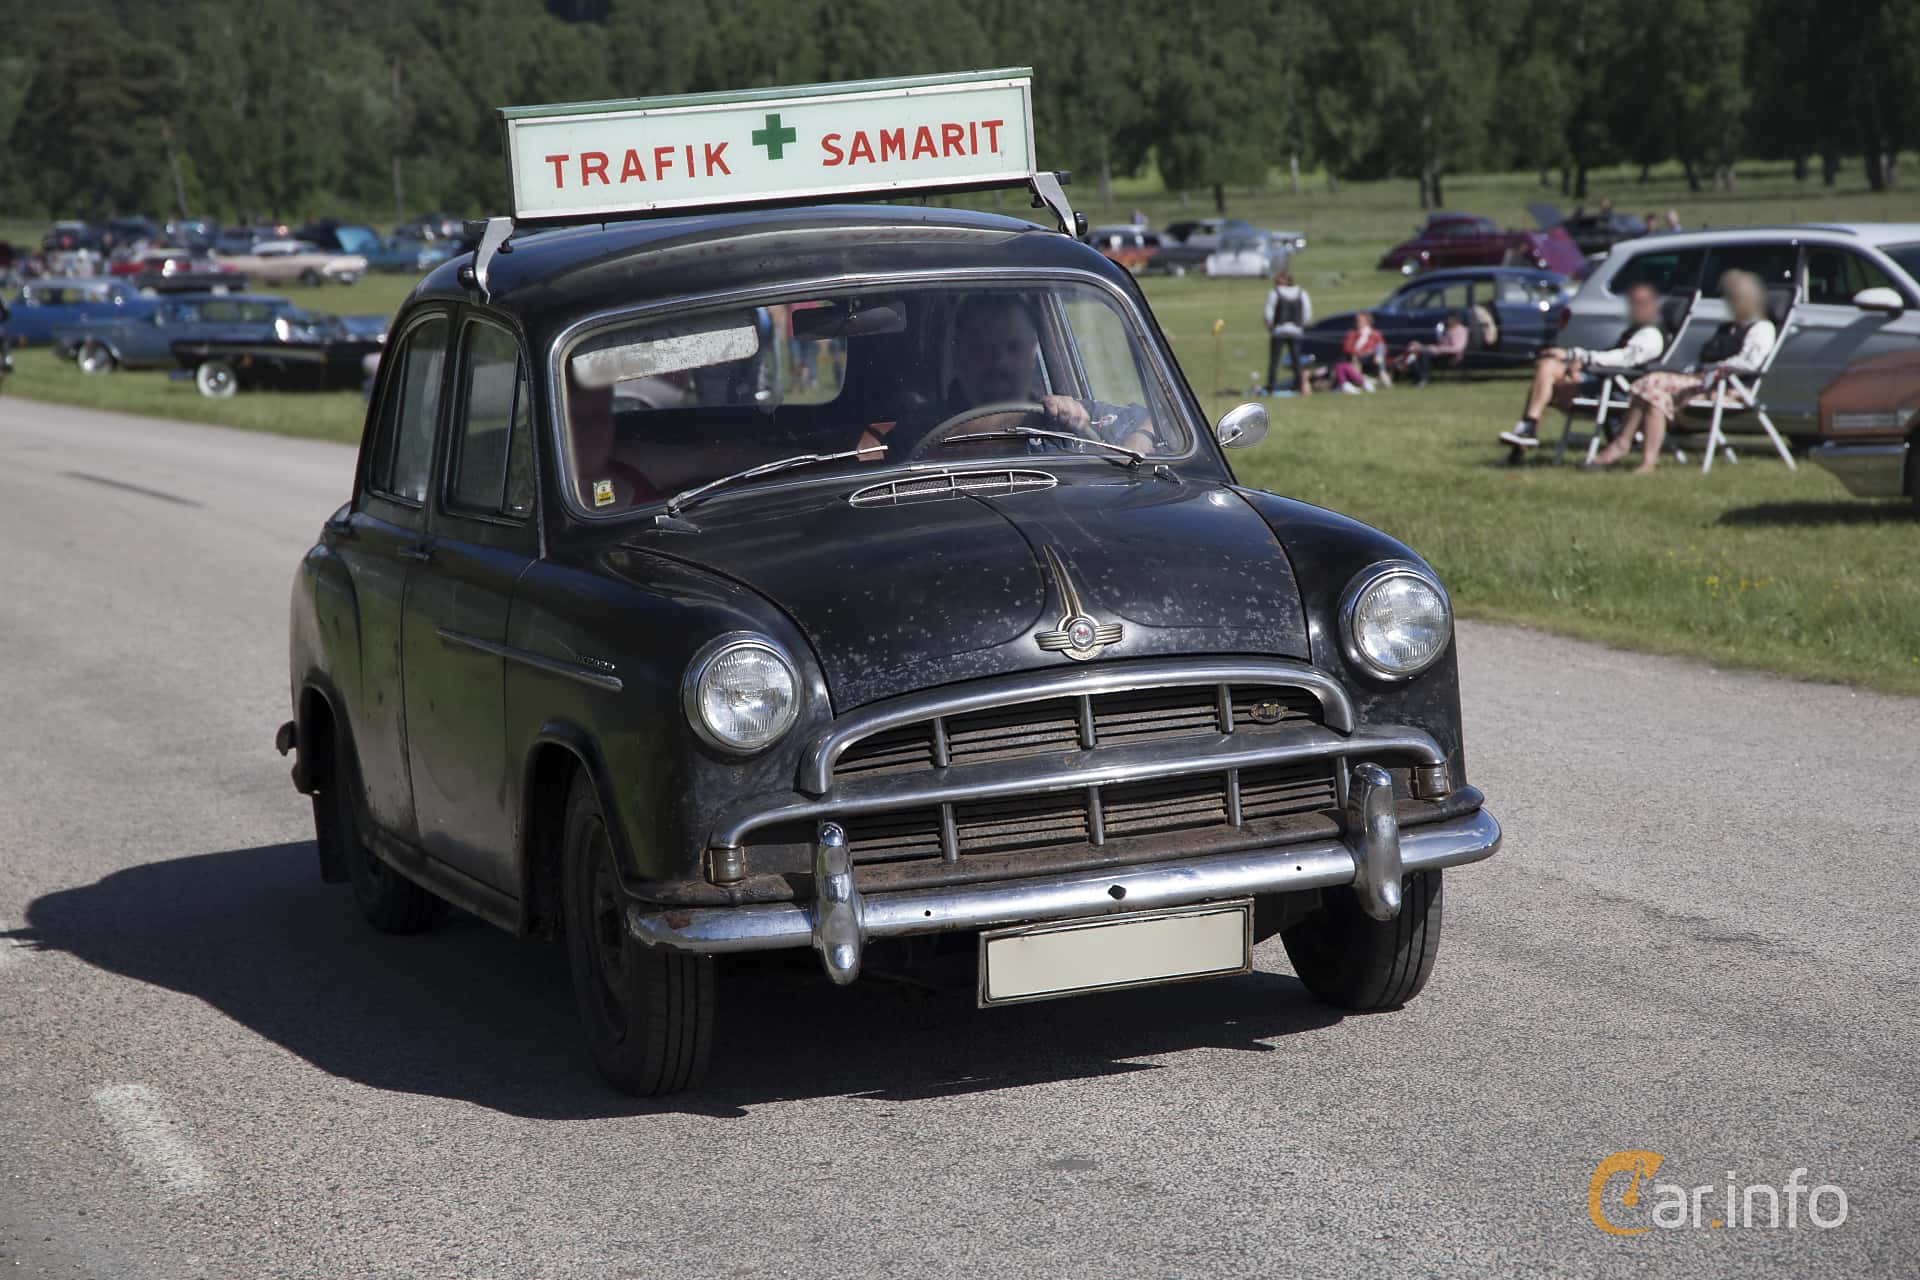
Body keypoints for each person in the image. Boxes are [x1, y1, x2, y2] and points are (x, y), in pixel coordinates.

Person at [869, 293, 1157, 458]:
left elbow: (1165, 416)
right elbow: (924, 448)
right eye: (982, 348)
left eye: (1014, 347)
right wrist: (1029, 420)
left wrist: (1140, 439)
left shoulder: (1073, 412)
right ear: (958, 354)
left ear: (1033, 350)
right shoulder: (923, 427)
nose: (999, 361)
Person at [1588, 269, 1774, 473]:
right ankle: (1645, 461)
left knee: (1652, 382)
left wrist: (1716, 369)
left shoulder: (1761, 329)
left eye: (1730, 298)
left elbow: (1750, 363)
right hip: (1705, 383)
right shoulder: (1729, 328)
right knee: (1654, 394)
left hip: (1729, 389)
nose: (1726, 303)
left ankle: (1622, 444)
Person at [1498, 281, 1666, 448]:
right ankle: (1528, 429)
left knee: (1542, 387)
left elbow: (1622, 359)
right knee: (1547, 366)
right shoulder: (1636, 330)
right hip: (1604, 380)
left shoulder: (1651, 335)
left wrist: (1578, 356)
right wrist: (1578, 364)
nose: (1635, 308)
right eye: (1633, 303)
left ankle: (1527, 432)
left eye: (1641, 303)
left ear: (1653, 306)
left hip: (1616, 390)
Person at [1262, 268, 1311, 395]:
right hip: (1296, 330)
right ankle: (1299, 385)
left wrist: (1270, 326)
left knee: (1274, 360)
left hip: (1279, 331)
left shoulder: (1274, 293)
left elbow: (1268, 313)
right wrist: (1301, 325)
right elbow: (1307, 313)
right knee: (1296, 360)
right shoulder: (1301, 293)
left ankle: (1271, 386)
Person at [1393, 313, 1468, 387]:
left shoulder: (1460, 331)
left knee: (1424, 354)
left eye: (1449, 319)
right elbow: (1439, 346)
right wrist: (1422, 346)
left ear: (1456, 320)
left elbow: (1457, 348)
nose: (1447, 321)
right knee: (1414, 353)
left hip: (1450, 357)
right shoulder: (1449, 330)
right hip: (1439, 354)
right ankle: (1415, 376)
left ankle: (1421, 379)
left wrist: (1437, 350)